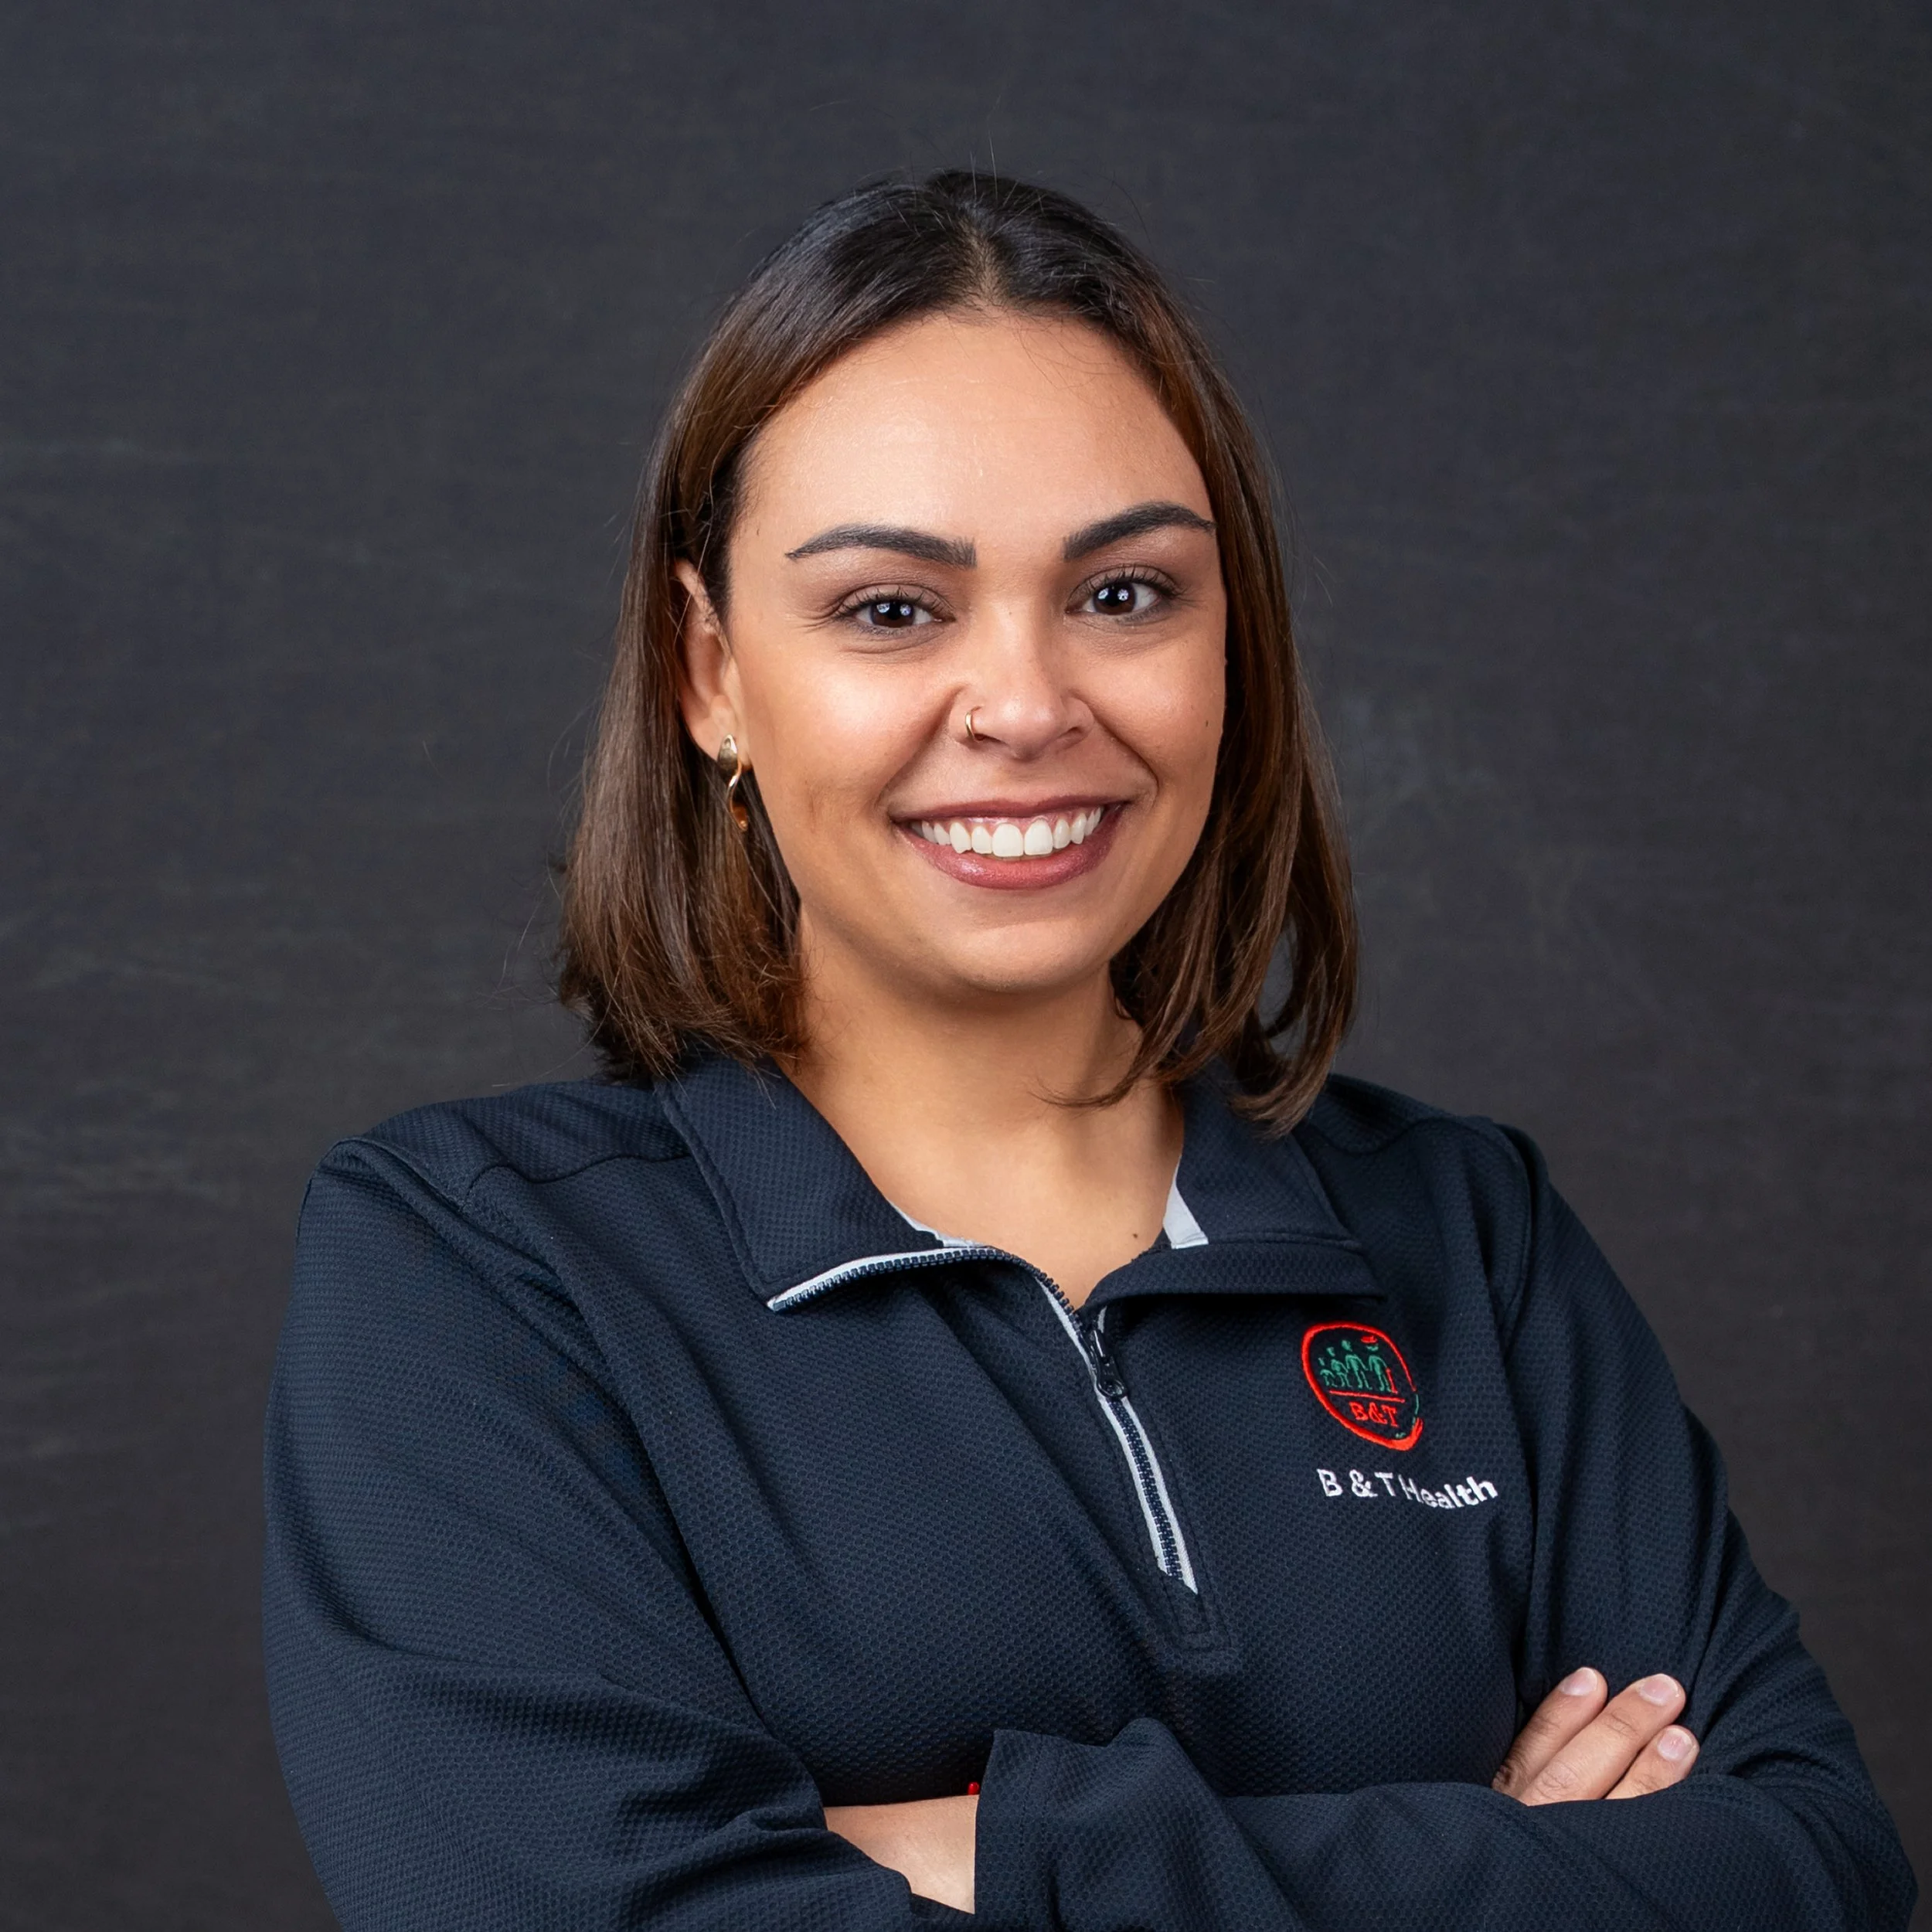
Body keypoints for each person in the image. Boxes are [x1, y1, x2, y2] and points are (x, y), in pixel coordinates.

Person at [262, 172, 1913, 1930]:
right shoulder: (481, 1265)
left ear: (1233, 643)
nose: (1031, 702)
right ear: (708, 670)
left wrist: (1019, 1854)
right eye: (892, 608)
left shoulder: (1463, 1229)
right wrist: (1513, 1862)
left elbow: (1807, 1861)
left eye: (1125, 593)